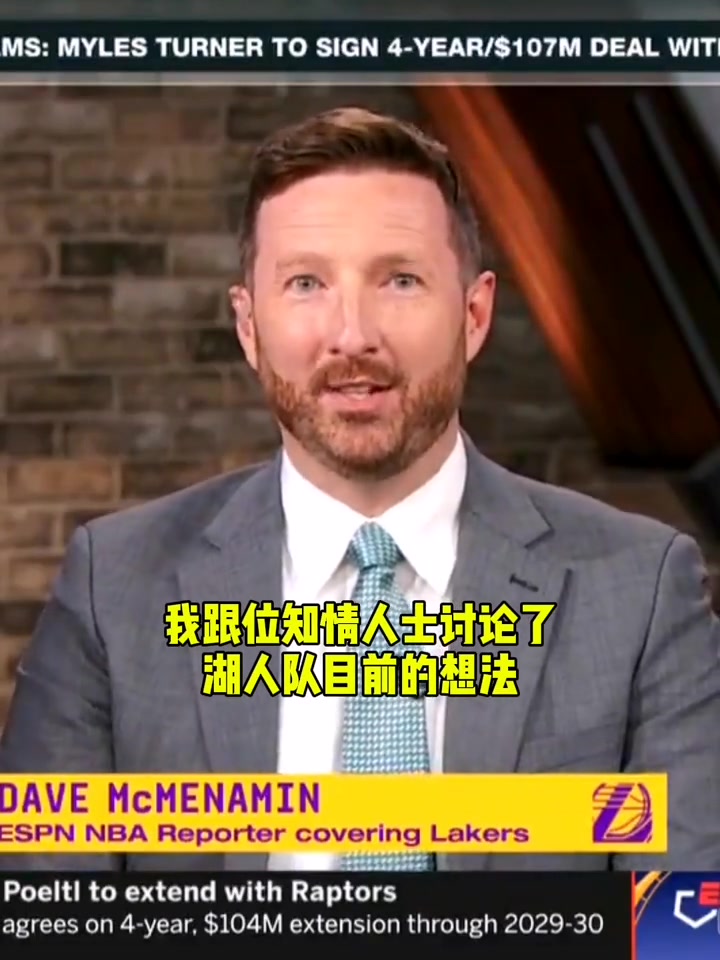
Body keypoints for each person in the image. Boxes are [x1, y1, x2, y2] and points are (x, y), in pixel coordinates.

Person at [1, 107, 719, 873]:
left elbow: (679, 923)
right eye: (306, 283)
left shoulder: (639, 590)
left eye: (400, 280)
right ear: (249, 327)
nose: (352, 336)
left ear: (474, 315)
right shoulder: (112, 589)